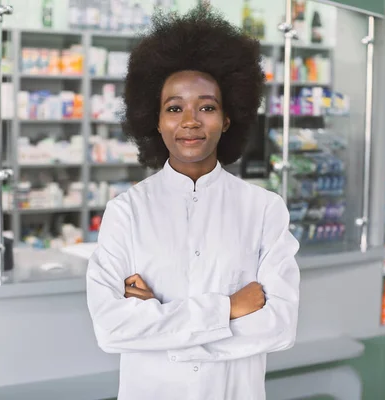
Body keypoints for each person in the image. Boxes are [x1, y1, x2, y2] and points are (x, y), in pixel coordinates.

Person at [86, 5, 300, 400]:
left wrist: (159, 328)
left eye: (206, 106)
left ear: (228, 117)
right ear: (155, 119)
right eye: (174, 108)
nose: (190, 121)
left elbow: (280, 327)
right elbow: (111, 329)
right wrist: (229, 309)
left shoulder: (264, 210)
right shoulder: (127, 212)